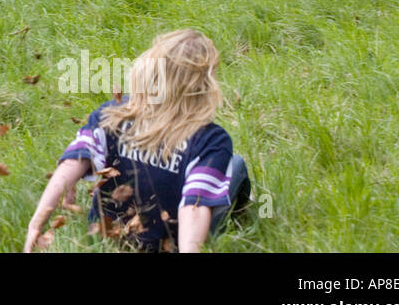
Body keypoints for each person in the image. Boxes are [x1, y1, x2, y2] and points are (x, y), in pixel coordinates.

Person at [22, 29, 251, 253]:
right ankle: (243, 213)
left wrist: (36, 224)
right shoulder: (211, 139)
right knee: (236, 164)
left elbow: (71, 164)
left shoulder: (111, 114)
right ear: (204, 85)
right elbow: (194, 206)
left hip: (107, 236)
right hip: (170, 242)